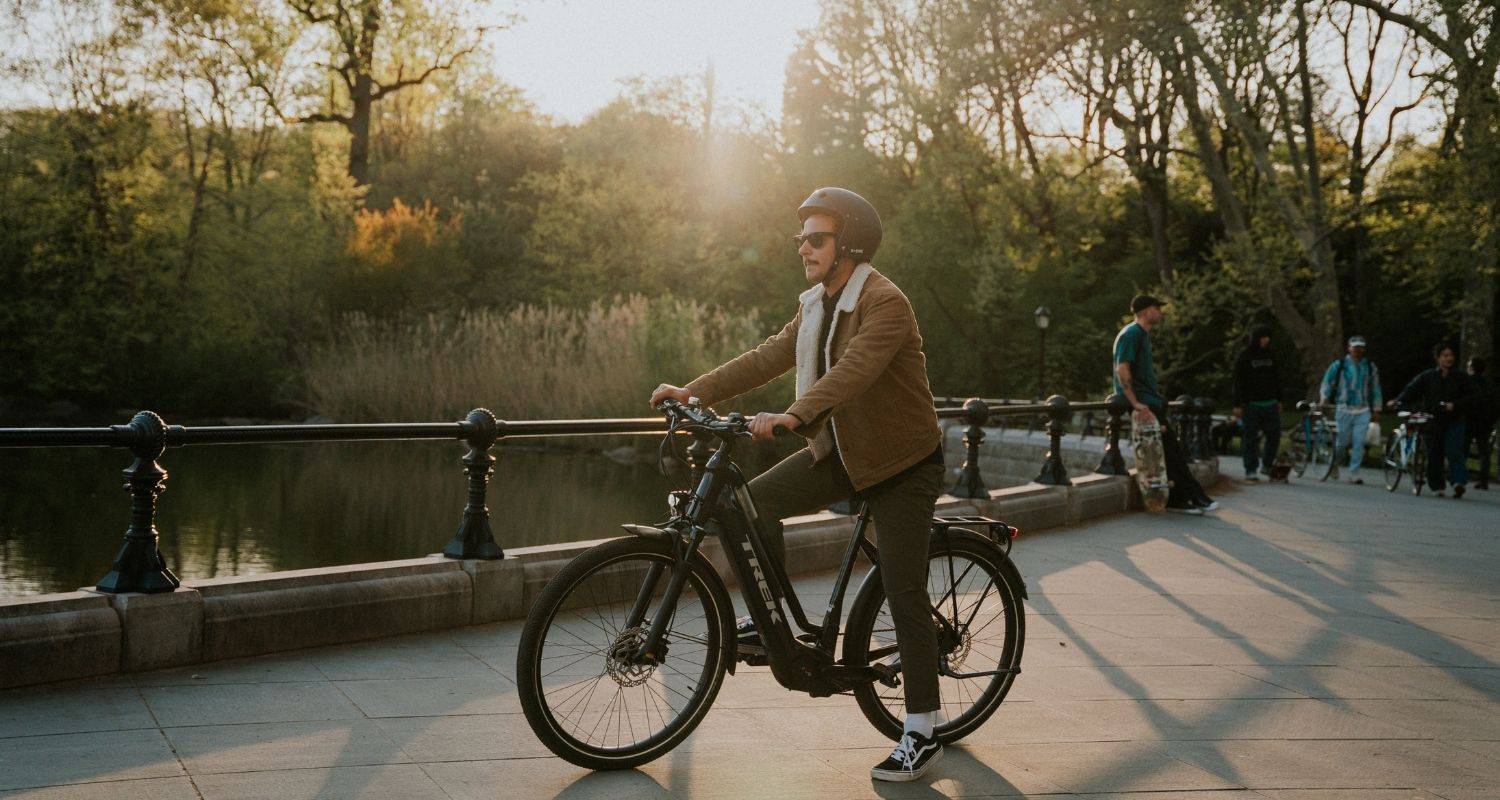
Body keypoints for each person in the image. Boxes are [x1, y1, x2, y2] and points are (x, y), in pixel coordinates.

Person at [650, 188, 947, 782]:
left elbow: (854, 370)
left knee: (903, 589)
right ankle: (773, 628)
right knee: (752, 503)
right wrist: (693, 391)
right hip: (842, 453)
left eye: (816, 239)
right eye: (800, 239)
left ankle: (922, 729)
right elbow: (766, 357)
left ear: (849, 244)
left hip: (902, 463)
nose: (803, 249)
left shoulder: (885, 302)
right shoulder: (817, 304)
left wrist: (794, 415)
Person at [1112, 294, 1218, 514]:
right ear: (1145, 311)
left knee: (1168, 453)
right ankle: (1191, 499)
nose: (1161, 312)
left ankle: (1181, 499)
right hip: (1143, 404)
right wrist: (1135, 403)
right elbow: (1122, 369)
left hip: (1149, 401)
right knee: (1170, 452)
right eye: (1157, 308)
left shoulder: (1141, 335)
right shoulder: (1132, 333)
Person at [1390, 343, 1481, 498]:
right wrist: (1398, 401)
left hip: (1454, 419)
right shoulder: (1428, 376)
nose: (1449, 359)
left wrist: (1456, 405)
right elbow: (1411, 390)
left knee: (1454, 450)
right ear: (1438, 358)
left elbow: (1472, 396)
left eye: (1451, 355)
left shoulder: (1461, 377)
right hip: (1433, 420)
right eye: (1445, 356)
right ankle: (1437, 485)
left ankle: (1458, 482)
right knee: (1434, 453)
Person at [1318, 336, 1383, 484]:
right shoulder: (1339, 365)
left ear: (1363, 349)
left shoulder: (1369, 366)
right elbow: (1327, 382)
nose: (1357, 350)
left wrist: (1377, 408)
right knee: (1342, 441)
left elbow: (1375, 387)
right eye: (1355, 347)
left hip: (1363, 409)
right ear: (1349, 348)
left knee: (1359, 441)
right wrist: (1324, 398)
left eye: (1360, 347)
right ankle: (1334, 462)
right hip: (1344, 408)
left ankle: (1354, 472)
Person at [1233, 325, 1282, 481]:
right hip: (1251, 403)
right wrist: (1237, 404)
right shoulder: (1245, 356)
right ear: (1257, 338)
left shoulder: (1271, 354)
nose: (1266, 340)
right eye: (1264, 337)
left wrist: (1279, 399)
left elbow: (1277, 378)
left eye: (1268, 337)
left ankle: (1267, 464)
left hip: (1270, 402)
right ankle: (1250, 469)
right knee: (1250, 437)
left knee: (1274, 434)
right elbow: (1238, 380)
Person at [1466, 356, 1497, 490]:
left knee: (1463, 448)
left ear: (1471, 368)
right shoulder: (1488, 384)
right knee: (1484, 451)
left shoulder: (1467, 382)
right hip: (1485, 421)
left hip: (1469, 419)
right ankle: (1483, 480)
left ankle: (1459, 476)